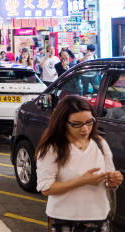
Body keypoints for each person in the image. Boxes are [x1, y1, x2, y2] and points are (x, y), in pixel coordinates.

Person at [36, 96, 123, 231]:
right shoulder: (52, 148)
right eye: (76, 124)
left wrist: (113, 181)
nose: (85, 129)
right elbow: (46, 188)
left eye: (89, 122)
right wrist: (82, 181)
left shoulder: (100, 143)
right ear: (63, 123)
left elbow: (108, 180)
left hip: (99, 217)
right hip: (64, 220)